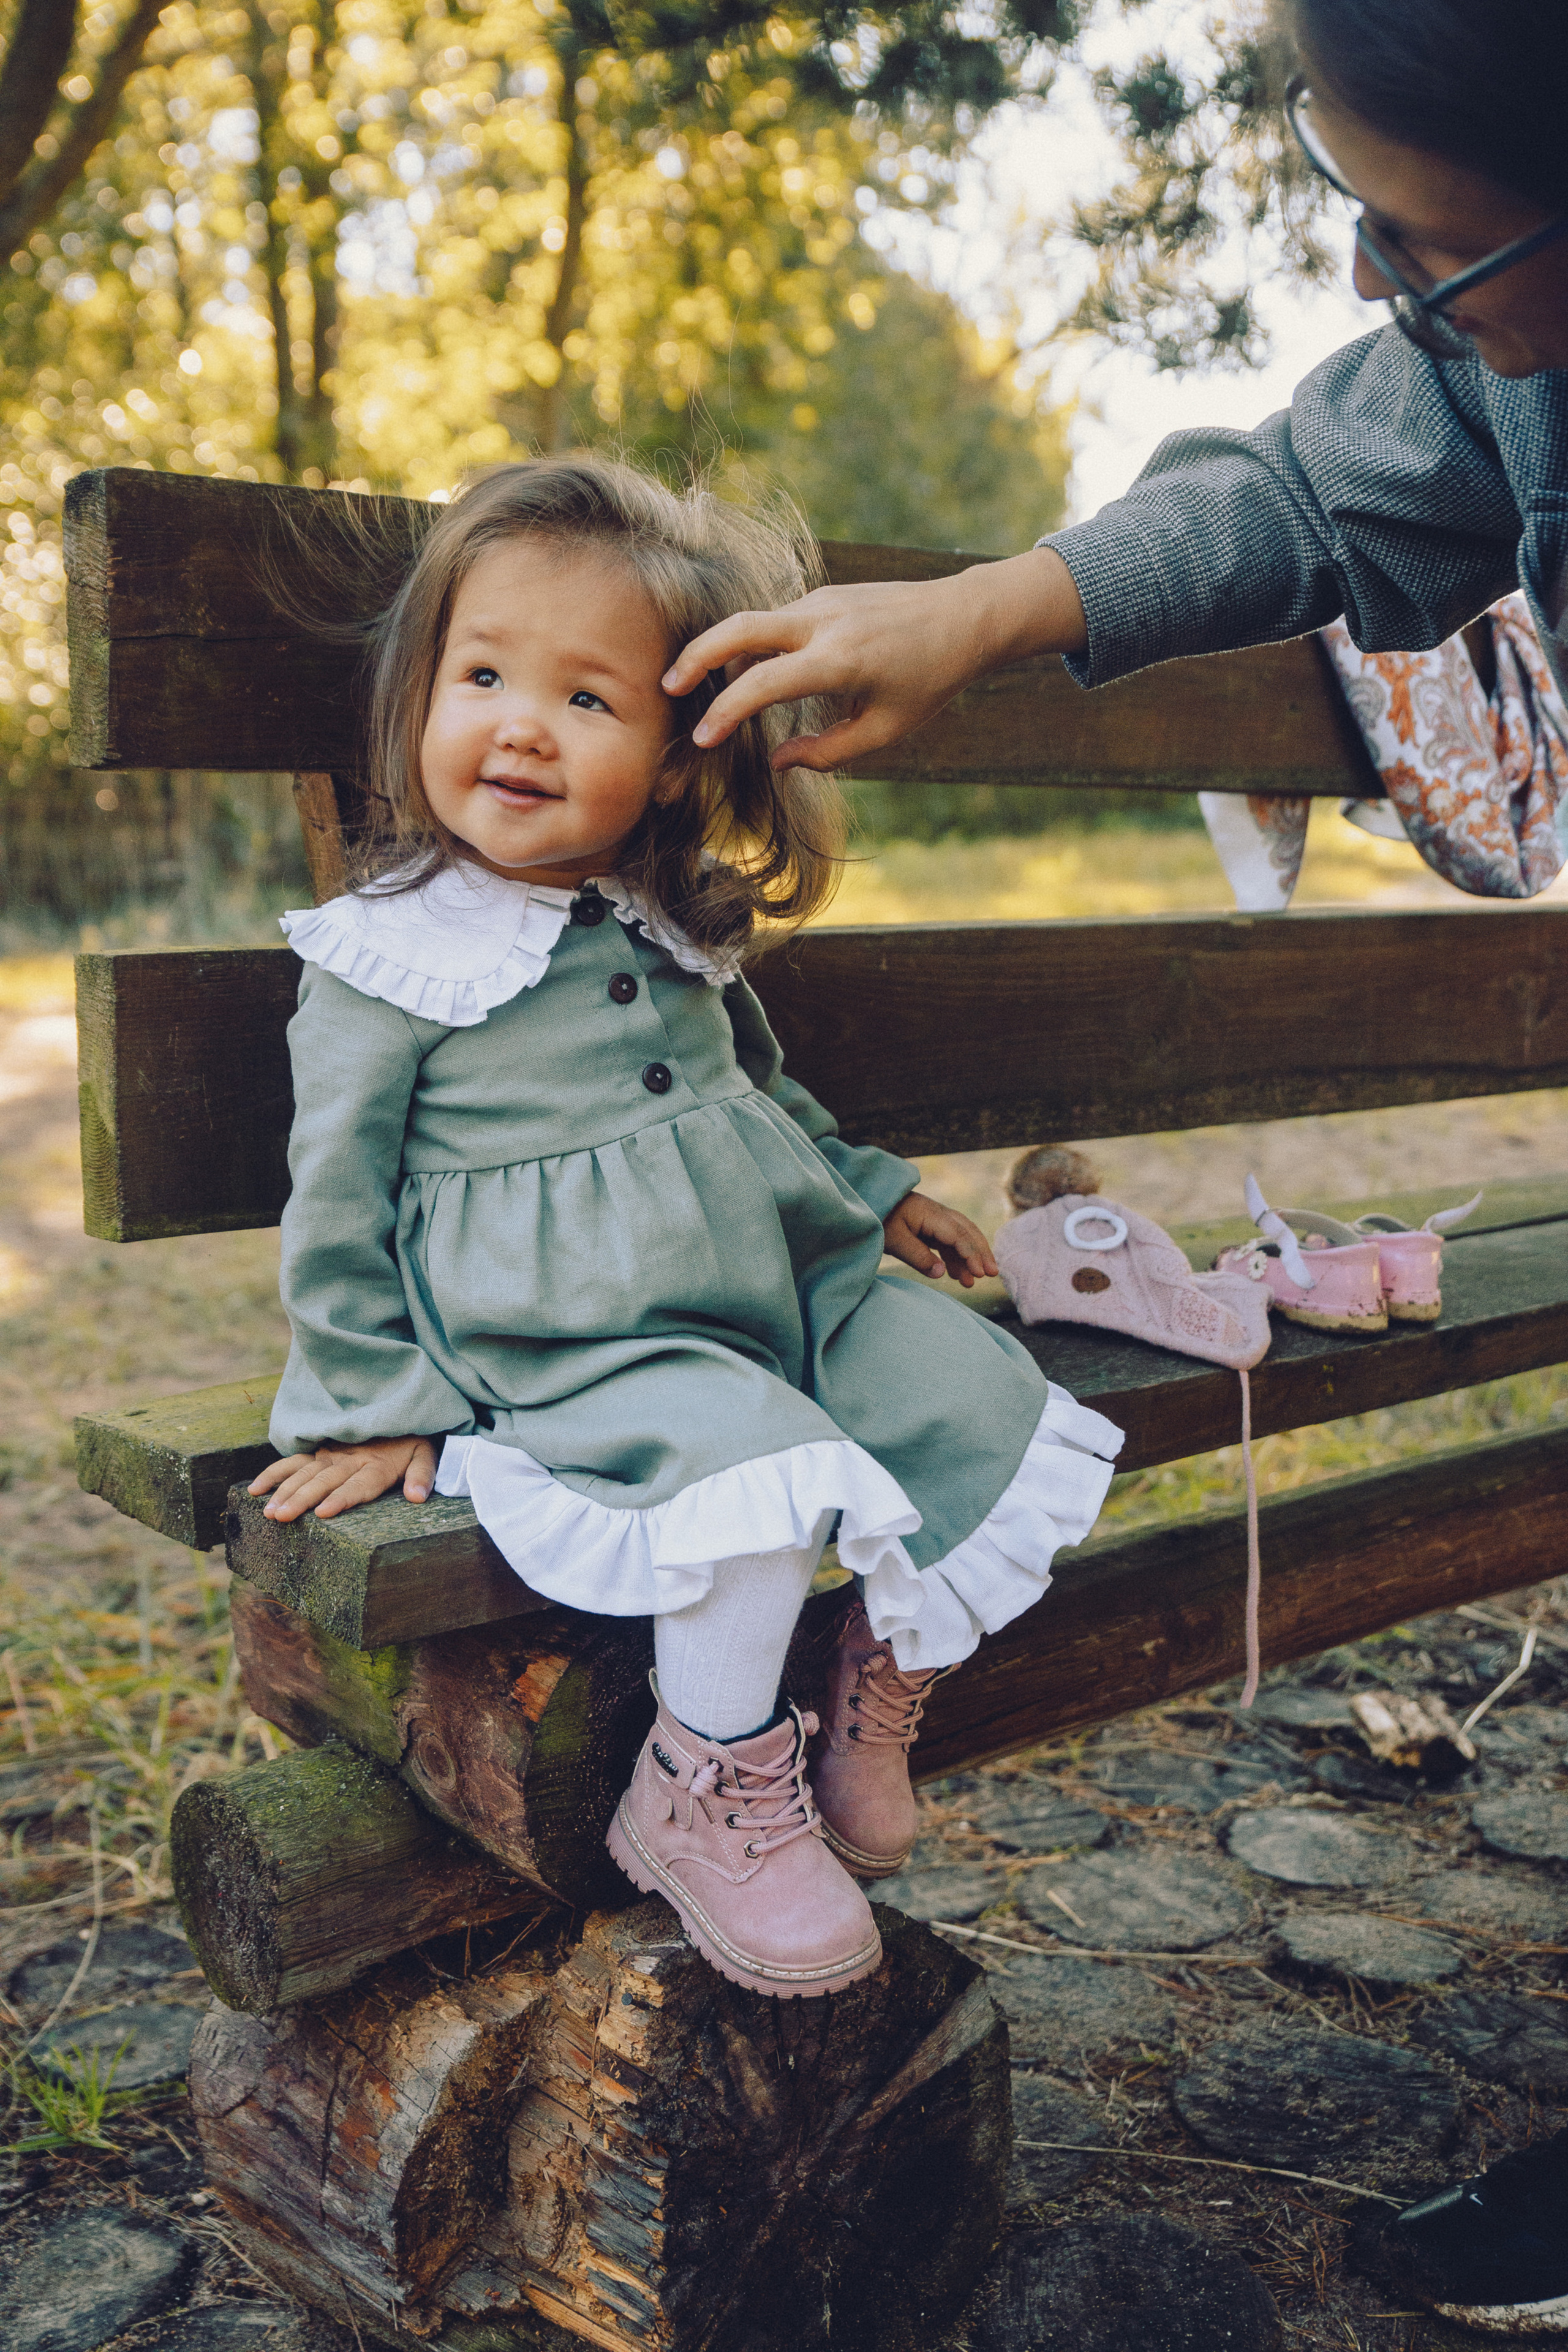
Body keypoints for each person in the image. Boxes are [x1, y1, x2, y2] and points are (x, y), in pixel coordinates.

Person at [658, 0, 1568, 2320]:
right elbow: (1314, 487)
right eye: (1345, 198)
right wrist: (977, 612)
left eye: (1426, 242)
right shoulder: (1496, 349)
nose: (1373, 279)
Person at [247, 453, 1123, 2003]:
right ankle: (704, 1787)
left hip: (775, 1280)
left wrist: (872, 1193)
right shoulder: (389, 955)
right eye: (484, 674)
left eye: (587, 699)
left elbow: (760, 1097)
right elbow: (334, 1197)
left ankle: (871, 1681)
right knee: (751, 1480)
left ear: (666, 758)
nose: (519, 721)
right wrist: (376, 1403)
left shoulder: (669, 918)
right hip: (587, 1332)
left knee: (980, 1400)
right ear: (424, 695)